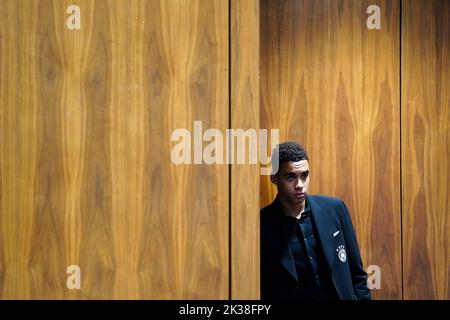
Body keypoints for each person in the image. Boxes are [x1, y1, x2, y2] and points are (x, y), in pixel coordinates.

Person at [260, 141, 371, 300]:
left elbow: (357, 273)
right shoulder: (262, 224)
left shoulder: (335, 209)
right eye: (290, 177)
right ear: (274, 179)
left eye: (304, 175)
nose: (299, 185)